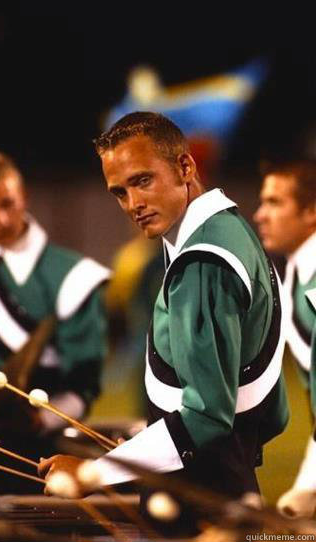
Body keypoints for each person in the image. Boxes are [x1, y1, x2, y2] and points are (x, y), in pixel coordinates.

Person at [39, 112, 288, 534]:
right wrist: (149, 446)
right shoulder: (227, 230)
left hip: (201, 497)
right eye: (119, 192)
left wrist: (93, 473)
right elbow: (273, 411)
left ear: (185, 167)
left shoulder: (203, 263)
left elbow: (207, 418)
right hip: (219, 476)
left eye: (142, 181)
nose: (133, 204)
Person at [0, 152, 110, 449]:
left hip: (38, 445)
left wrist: (43, 419)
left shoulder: (74, 276)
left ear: (24, 197)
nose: (2, 220)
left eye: (8, 204)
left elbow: (83, 385)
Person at [254, 160, 316, 516]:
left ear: (311, 212)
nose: (260, 215)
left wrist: (306, 486)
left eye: (275, 203)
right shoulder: (296, 272)